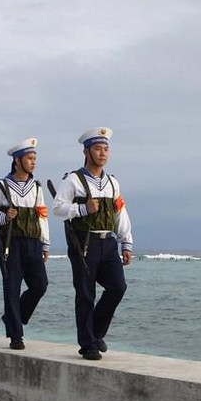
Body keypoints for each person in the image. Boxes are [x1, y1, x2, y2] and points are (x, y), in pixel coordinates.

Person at [52, 127, 133, 360]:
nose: (103, 153)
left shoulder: (112, 182)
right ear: (86, 151)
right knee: (86, 294)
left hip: (108, 242)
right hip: (83, 243)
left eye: (106, 149)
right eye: (98, 148)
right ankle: (87, 343)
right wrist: (82, 208)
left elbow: (120, 213)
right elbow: (58, 208)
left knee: (118, 287)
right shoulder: (73, 180)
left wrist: (126, 242)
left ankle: (95, 332)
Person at [0, 138, 50, 350]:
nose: (33, 162)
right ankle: (16, 335)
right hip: (11, 244)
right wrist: (4, 216)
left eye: (35, 158)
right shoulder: (2, 185)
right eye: (29, 158)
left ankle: (13, 317)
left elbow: (42, 216)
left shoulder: (37, 187)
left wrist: (45, 243)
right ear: (17, 161)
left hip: (33, 243)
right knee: (11, 288)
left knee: (40, 285)